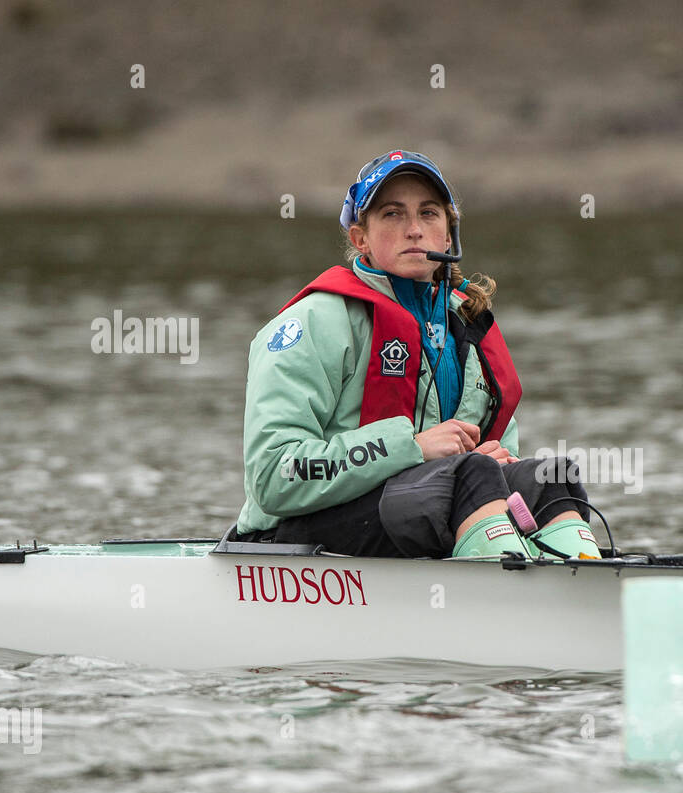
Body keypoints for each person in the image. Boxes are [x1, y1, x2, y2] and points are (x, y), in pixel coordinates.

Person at [231, 150, 602, 561]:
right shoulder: (311, 324)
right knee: (471, 474)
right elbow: (273, 476)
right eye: (392, 214)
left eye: (428, 213)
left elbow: (485, 469)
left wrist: (498, 467)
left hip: (417, 517)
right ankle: (510, 592)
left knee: (549, 477)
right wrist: (411, 448)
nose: (413, 230)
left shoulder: (468, 326)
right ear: (360, 238)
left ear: (448, 235)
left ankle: (581, 578)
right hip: (291, 539)